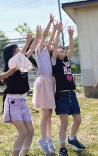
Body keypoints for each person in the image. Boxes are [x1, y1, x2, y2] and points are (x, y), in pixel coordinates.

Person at [3, 26, 41, 156]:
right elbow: (23, 52)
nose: (20, 49)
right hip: (12, 102)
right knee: (23, 133)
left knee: (30, 132)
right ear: (13, 52)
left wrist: (36, 37)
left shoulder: (22, 61)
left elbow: (31, 49)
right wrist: (26, 42)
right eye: (17, 48)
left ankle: (23, 154)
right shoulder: (11, 63)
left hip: (23, 102)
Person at [51, 25, 85, 156]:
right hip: (61, 96)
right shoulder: (55, 62)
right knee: (64, 123)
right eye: (60, 49)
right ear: (55, 53)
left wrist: (70, 36)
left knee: (78, 120)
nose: (62, 50)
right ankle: (62, 147)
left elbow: (71, 48)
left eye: (62, 49)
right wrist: (58, 32)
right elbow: (54, 47)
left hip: (72, 94)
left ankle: (72, 138)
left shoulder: (66, 60)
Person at [32, 14, 62, 155]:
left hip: (49, 82)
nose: (43, 41)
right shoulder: (38, 51)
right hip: (43, 82)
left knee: (49, 113)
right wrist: (50, 23)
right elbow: (45, 36)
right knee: (45, 113)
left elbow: (49, 40)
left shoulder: (46, 51)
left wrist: (56, 30)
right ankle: (42, 139)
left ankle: (49, 138)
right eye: (39, 40)